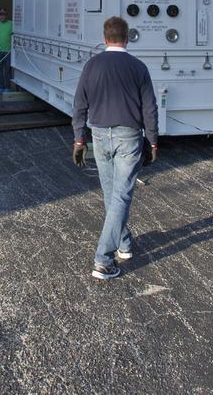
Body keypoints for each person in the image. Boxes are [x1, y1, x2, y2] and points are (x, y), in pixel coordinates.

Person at [71, 16, 158, 280]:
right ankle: (103, 260)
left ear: (105, 37)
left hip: (99, 135)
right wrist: (153, 140)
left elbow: (79, 105)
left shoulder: (91, 66)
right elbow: (149, 108)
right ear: (127, 37)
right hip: (128, 136)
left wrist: (78, 139)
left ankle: (124, 244)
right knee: (120, 195)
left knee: (111, 193)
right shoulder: (138, 67)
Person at [0, 7, 14, 93]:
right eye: (0, 14)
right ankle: (0, 86)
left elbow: (14, 36)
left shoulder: (11, 24)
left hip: (8, 51)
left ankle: (7, 87)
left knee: (7, 70)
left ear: (6, 15)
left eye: (3, 14)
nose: (2, 16)